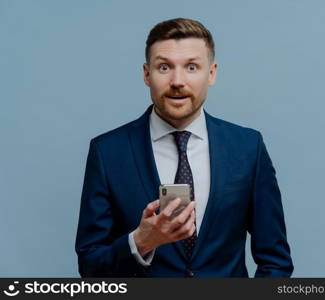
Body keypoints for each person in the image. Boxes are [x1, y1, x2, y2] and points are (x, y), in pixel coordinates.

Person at [75, 18, 293, 277]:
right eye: (164, 67)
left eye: (191, 67)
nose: (177, 81)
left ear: (211, 73)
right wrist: (141, 241)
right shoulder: (107, 152)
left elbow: (276, 262)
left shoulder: (248, 147)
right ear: (147, 74)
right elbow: (90, 267)